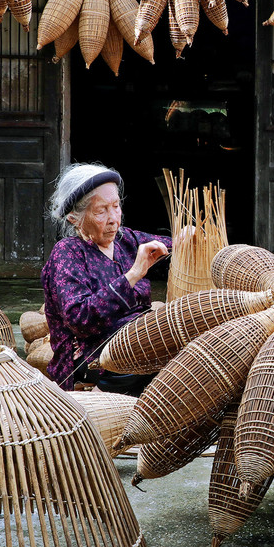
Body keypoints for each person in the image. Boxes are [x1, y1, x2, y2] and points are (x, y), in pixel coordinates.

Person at [41, 163, 172, 395]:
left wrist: (188, 239)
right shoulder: (67, 253)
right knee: (145, 357)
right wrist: (132, 276)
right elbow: (80, 319)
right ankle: (100, 399)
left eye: (116, 206)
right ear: (74, 218)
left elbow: (168, 249)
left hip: (138, 341)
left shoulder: (125, 240)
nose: (113, 219)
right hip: (89, 356)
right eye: (101, 211)